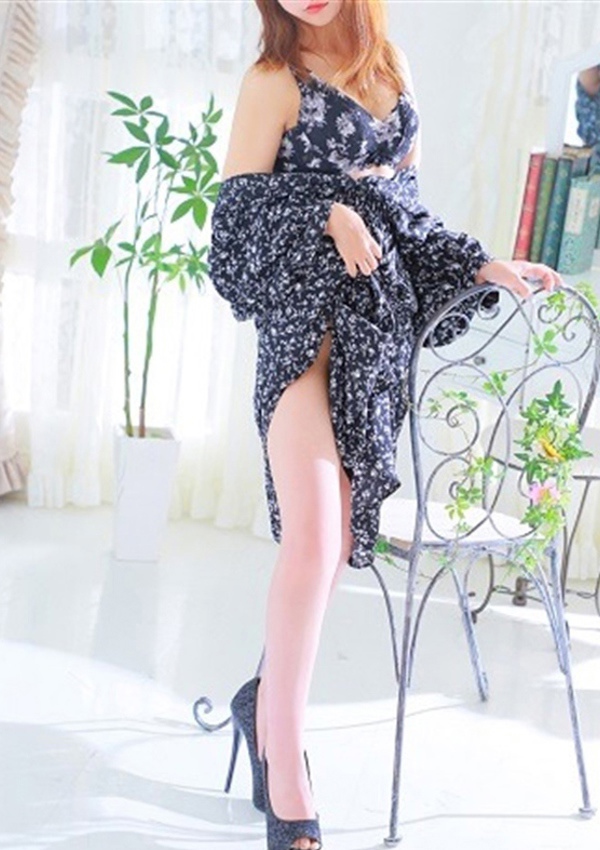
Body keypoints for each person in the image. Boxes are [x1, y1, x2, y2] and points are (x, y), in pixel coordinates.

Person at [209, 2, 563, 849]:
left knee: (333, 549)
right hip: (303, 341)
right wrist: (325, 211)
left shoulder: (390, 71)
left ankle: (263, 704)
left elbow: (408, 219)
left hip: (371, 346)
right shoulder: (273, 81)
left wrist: (485, 264)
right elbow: (232, 228)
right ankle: (288, 778)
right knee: (314, 540)